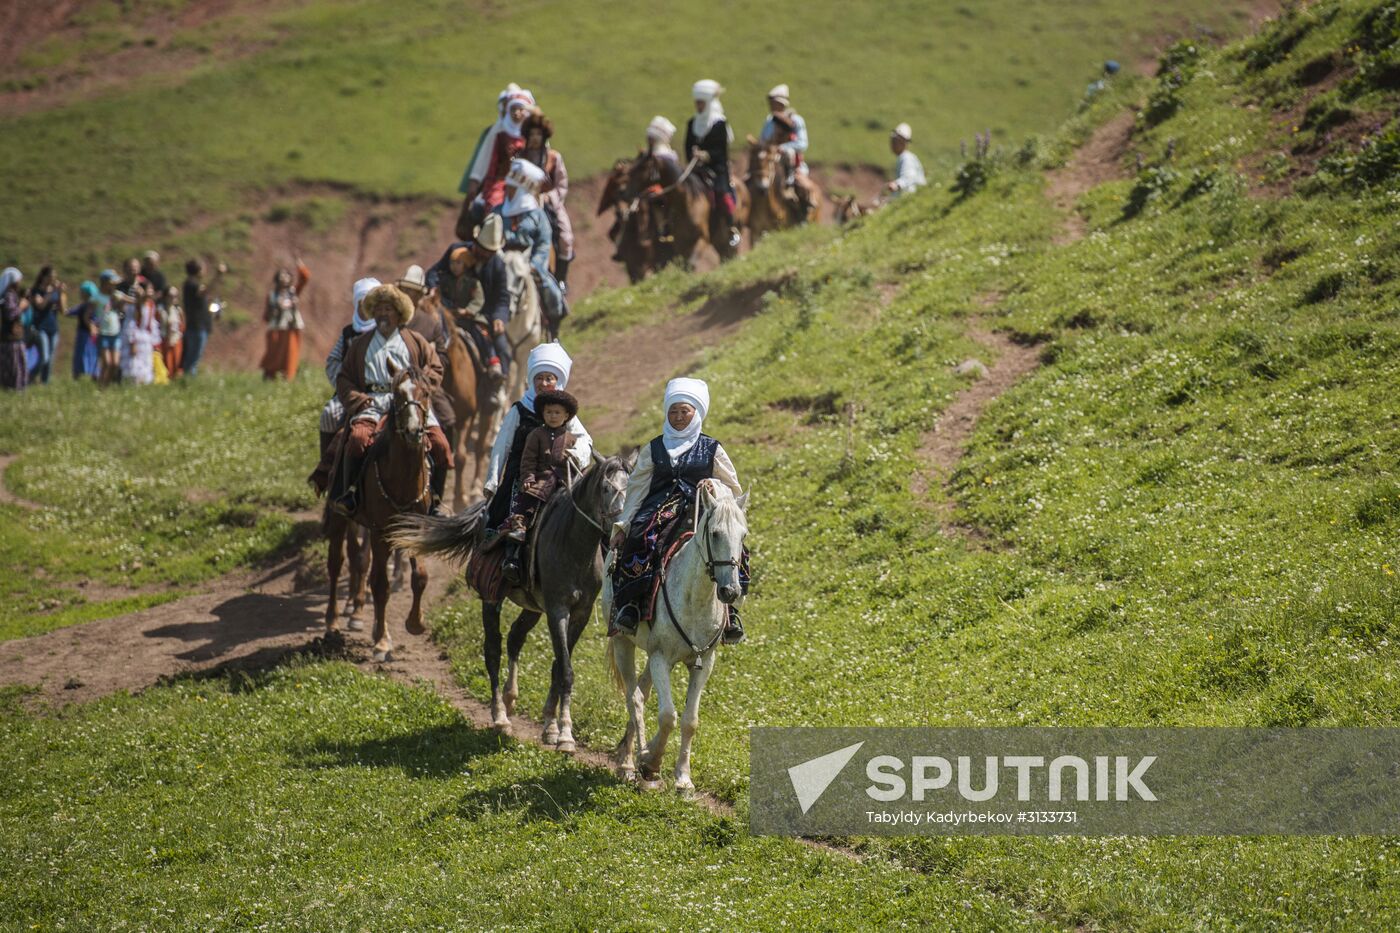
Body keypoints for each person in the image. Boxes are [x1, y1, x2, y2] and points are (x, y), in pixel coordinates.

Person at [608, 377, 746, 644]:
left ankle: (730, 613)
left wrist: (713, 484)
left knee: (731, 547)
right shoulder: (654, 448)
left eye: (685, 411)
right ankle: (633, 606)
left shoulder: (712, 448)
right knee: (641, 539)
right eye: (674, 411)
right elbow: (637, 488)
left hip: (702, 511)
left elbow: (733, 488)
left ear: (696, 413)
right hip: (659, 511)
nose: (679, 417)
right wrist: (624, 526)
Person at [323, 285, 453, 518]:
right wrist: (357, 400)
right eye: (379, 309)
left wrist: (422, 387)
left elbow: (435, 367)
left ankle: (435, 501)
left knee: (441, 445)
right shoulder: (361, 344)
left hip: (411, 401)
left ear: (399, 313)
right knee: (357, 439)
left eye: (389, 309)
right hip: (373, 402)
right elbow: (344, 378)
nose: (383, 314)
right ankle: (350, 493)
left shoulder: (415, 341)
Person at [483, 342, 593, 538]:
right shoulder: (519, 410)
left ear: (557, 381)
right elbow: (502, 446)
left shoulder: (564, 413)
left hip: (559, 476)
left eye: (549, 378)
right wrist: (492, 481)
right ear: (531, 379)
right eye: (539, 378)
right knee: (502, 520)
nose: (543, 383)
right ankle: (508, 559)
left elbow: (585, 441)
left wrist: (575, 456)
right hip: (522, 478)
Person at [425, 212, 510, 379]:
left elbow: (502, 297)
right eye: (483, 249)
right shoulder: (456, 251)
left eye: (490, 252)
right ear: (475, 241)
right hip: (447, 310)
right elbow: (434, 272)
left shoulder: (498, 265)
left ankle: (499, 386)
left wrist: (499, 317)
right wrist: (433, 287)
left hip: (479, 315)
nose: (485, 255)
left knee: (503, 349)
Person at [495, 158, 566, 333]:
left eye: (512, 188)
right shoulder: (497, 212)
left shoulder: (537, 216)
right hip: (501, 263)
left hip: (529, 265)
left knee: (551, 292)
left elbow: (543, 244)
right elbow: (489, 238)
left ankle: (553, 328)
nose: (508, 191)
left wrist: (534, 266)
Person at [502, 387, 579, 547]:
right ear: (543, 414)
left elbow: (576, 463)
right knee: (529, 497)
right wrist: (528, 477)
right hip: (541, 477)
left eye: (557, 412)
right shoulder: (536, 435)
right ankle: (520, 526)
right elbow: (528, 459)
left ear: (566, 416)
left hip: (564, 481)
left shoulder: (571, 439)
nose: (553, 416)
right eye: (549, 412)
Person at [319, 277, 380, 455]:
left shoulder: (384, 331)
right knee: (330, 415)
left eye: (370, 304)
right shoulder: (348, 333)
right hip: (350, 392)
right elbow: (333, 361)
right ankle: (327, 469)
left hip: (380, 390)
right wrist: (345, 380)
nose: (365, 309)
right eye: (362, 304)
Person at [397, 263, 456, 441]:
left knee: (448, 420)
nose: (408, 295)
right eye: (406, 290)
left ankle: (442, 466)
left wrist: (426, 374)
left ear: (420, 295)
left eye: (413, 291)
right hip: (393, 381)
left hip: (424, 383)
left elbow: (443, 358)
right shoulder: (392, 320)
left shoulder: (431, 324)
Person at [520, 112, 575, 298]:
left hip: (549, 206)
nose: (535, 138)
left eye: (538, 134)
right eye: (532, 134)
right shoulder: (519, 159)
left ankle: (560, 279)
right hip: (523, 205)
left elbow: (562, 185)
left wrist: (548, 197)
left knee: (565, 236)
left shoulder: (553, 158)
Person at [685, 79, 741, 249]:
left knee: (722, 193)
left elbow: (721, 151)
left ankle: (731, 227)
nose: (699, 106)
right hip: (695, 169)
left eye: (701, 103)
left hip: (717, 168)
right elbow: (687, 147)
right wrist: (693, 156)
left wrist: (705, 155)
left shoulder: (719, 124)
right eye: (697, 103)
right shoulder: (692, 123)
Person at [759, 84, 815, 217]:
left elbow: (802, 143)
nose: (772, 106)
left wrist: (782, 148)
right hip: (770, 158)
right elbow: (763, 140)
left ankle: (791, 187)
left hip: (789, 161)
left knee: (789, 155)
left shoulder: (796, 120)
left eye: (775, 103)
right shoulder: (769, 121)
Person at [261, 260, 310, 381]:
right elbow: (266, 316)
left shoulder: (293, 292)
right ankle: (270, 376)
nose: (284, 278)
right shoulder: (272, 295)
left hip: (291, 327)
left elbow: (305, 279)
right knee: (273, 354)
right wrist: (275, 309)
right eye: (282, 275)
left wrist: (300, 266)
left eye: (287, 275)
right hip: (276, 327)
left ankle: (288, 377)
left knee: (290, 354)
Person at [182, 259, 225, 377]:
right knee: (193, 358)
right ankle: (187, 381)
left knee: (195, 357)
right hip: (196, 327)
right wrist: (217, 276)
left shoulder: (193, 284)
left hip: (199, 326)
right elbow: (204, 292)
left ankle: (188, 379)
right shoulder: (191, 284)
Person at [26, 266, 64, 385]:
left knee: (50, 359)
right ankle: (29, 378)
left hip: (53, 328)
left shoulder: (54, 291)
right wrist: (51, 292)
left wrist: (61, 293)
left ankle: (44, 383)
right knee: (45, 357)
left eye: (54, 277)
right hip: (40, 328)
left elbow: (62, 309)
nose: (53, 279)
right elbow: (40, 305)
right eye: (51, 277)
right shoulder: (35, 291)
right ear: (44, 276)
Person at [119, 277, 160, 386]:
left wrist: (154, 340)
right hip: (136, 337)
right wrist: (133, 341)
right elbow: (132, 324)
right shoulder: (135, 305)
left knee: (145, 363)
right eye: (149, 289)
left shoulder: (150, 304)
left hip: (146, 338)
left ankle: (143, 385)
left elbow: (152, 323)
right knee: (134, 364)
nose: (151, 292)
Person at [0, 268, 27, 391]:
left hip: (13, 338)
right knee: (14, 367)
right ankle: (15, 389)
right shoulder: (9, 296)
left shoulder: (11, 295)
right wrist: (21, 306)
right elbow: (10, 314)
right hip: (10, 339)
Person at [68, 280, 101, 379]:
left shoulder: (91, 306)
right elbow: (68, 312)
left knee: (86, 356)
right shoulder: (84, 306)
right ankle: (90, 376)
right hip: (86, 335)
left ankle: (86, 376)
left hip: (88, 336)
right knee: (86, 357)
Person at [95, 270, 123, 386]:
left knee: (115, 363)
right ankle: (101, 385)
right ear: (105, 283)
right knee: (106, 362)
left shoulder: (116, 295)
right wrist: (92, 325)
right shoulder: (97, 297)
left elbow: (130, 300)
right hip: (103, 333)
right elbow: (88, 314)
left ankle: (105, 385)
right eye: (113, 283)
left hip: (115, 333)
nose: (115, 285)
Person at [887, 123, 927, 198]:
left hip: (914, 197)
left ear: (904, 143)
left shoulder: (906, 157)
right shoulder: (904, 158)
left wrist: (897, 184)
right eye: (892, 141)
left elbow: (909, 176)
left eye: (895, 141)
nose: (893, 144)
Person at [157, 285, 183, 378]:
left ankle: (175, 382)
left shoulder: (177, 310)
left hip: (176, 339)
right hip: (164, 340)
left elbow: (182, 325)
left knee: (176, 363)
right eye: (170, 295)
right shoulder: (160, 310)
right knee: (167, 364)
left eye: (175, 296)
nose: (173, 298)